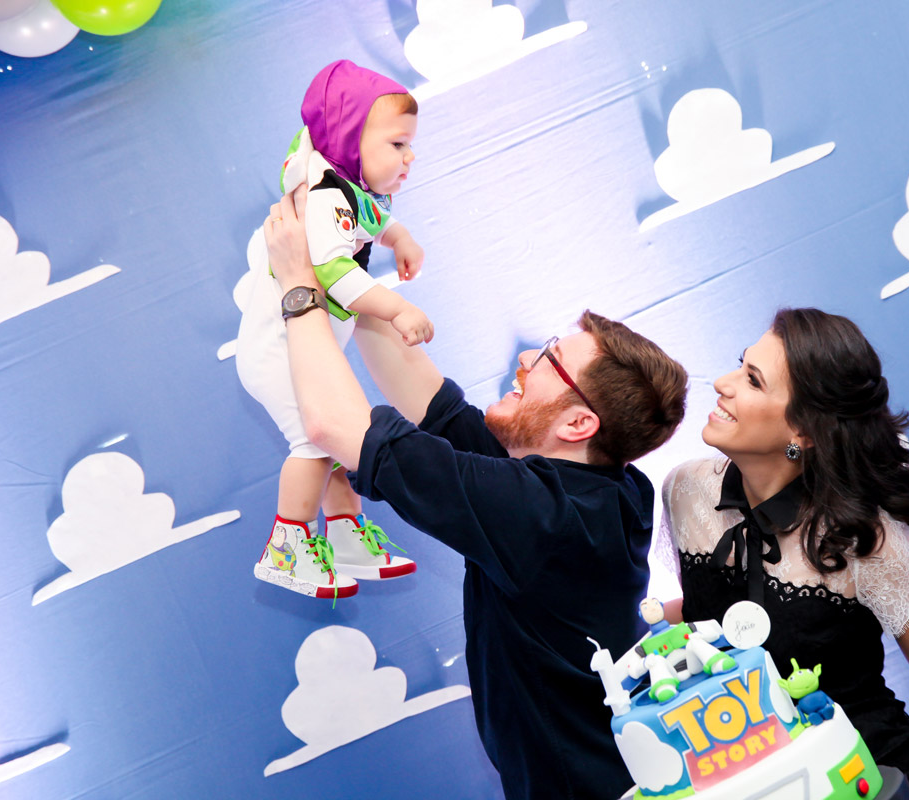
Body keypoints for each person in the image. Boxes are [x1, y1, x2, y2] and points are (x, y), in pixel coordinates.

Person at [262, 185, 690, 800]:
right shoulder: (606, 487)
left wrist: (299, 288)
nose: (524, 358)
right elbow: (425, 398)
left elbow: (334, 426)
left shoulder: (541, 514)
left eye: (549, 360)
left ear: (579, 423)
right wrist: (344, 263)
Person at [656, 308, 909, 799]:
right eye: (739, 364)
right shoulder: (684, 491)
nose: (723, 384)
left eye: (752, 380)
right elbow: (702, 612)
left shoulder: (866, 536)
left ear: (803, 434)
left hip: (881, 778)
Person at [236, 60, 431, 599]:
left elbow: (373, 217)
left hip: (303, 349)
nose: (410, 156)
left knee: (343, 443)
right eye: (397, 144)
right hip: (279, 351)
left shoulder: (349, 185)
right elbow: (333, 271)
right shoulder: (324, 197)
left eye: (410, 144)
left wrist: (400, 237)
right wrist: (395, 308)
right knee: (314, 443)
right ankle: (287, 546)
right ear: (350, 139)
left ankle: (344, 534)